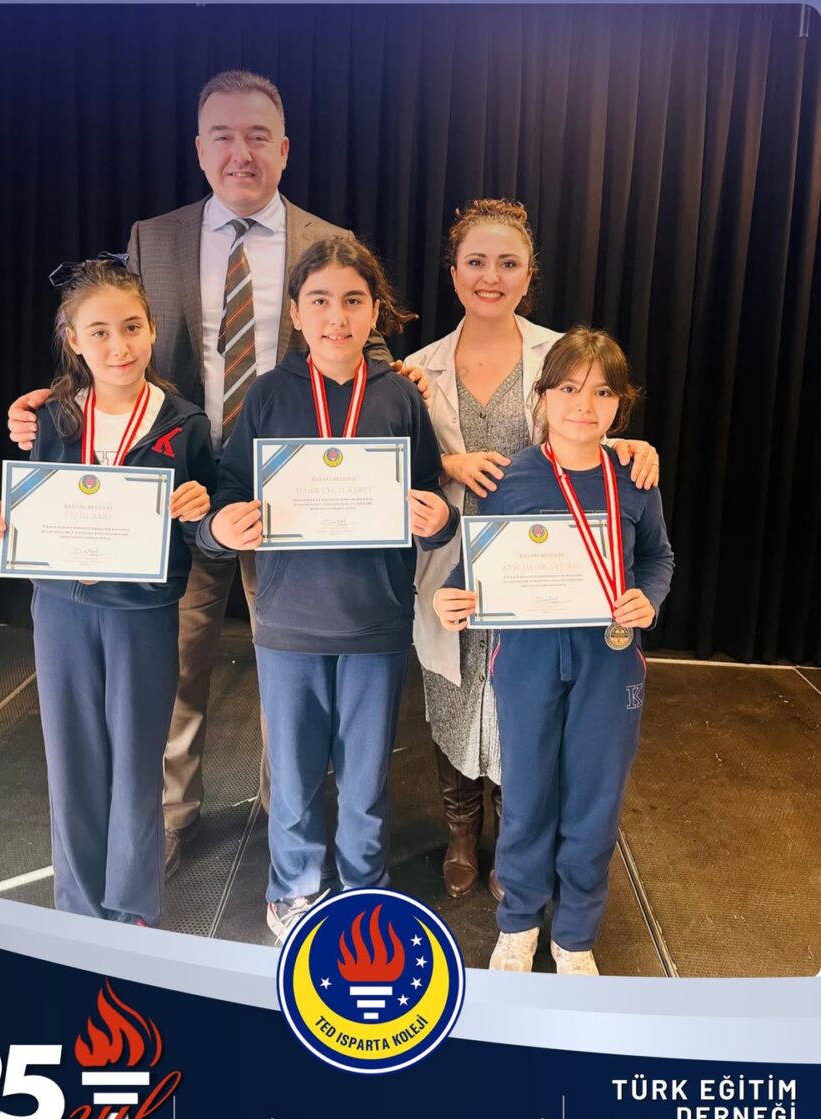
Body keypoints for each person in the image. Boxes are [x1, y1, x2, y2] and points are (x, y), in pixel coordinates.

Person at [5, 70, 424, 880]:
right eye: (224, 136)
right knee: (176, 663)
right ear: (200, 149)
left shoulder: (325, 238)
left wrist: (402, 377)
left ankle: (286, 816)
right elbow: (115, 344)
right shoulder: (153, 238)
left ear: (284, 148)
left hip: (299, 500)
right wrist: (49, 404)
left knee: (294, 671)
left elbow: (361, 347)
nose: (242, 152)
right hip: (182, 490)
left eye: (258, 136)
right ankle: (169, 816)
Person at [196, 236, 459, 940]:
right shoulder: (267, 396)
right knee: (294, 773)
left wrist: (439, 521)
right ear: (294, 311)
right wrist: (223, 526)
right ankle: (293, 887)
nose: (336, 317)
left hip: (376, 622)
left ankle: (365, 883)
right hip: (288, 623)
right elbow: (227, 492)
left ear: (375, 311)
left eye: (352, 300)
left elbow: (428, 497)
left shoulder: (400, 398)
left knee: (367, 777)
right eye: (319, 301)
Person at [408, 199, 660, 901]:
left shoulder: (561, 354)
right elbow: (392, 466)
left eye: (508, 263)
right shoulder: (417, 369)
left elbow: (584, 425)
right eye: (476, 262)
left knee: (525, 712)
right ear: (454, 271)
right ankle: (462, 834)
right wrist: (448, 466)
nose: (491, 276)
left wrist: (630, 445)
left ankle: (517, 844)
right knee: (455, 693)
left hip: (547, 573)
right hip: (454, 562)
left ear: (529, 275)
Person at [0, 257, 216, 926]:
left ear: (153, 329)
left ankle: (133, 908)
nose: (119, 346)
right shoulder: (51, 418)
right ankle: (77, 913)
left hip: (143, 613)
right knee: (72, 762)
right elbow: (31, 507)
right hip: (62, 611)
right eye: (99, 332)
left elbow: (209, 523)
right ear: (73, 340)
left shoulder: (184, 423)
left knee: (137, 764)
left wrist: (201, 509)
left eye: (131, 327)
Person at [434, 327, 674, 974]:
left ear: (621, 403)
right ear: (542, 396)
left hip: (609, 664)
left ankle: (574, 935)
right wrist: (452, 598)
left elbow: (658, 556)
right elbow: (473, 570)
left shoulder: (635, 478)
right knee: (527, 796)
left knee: (595, 803)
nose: (584, 405)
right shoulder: (510, 479)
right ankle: (518, 924)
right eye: (569, 388)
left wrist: (649, 598)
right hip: (526, 665)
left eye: (602, 392)